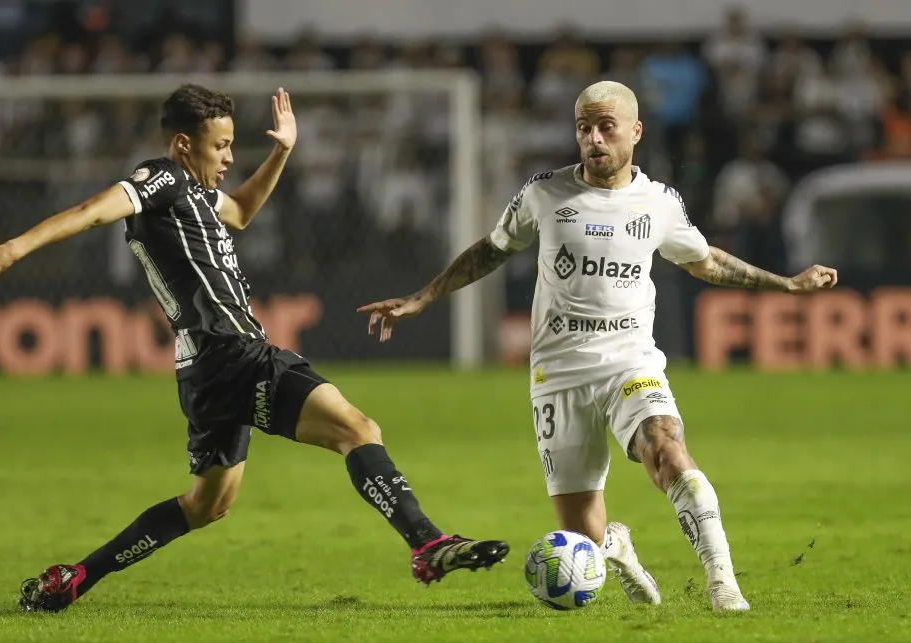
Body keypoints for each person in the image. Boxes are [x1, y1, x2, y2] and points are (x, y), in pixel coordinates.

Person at [0, 84, 509, 613]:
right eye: (221, 145)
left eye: (233, 144)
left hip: (203, 373)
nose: (229, 157)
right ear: (185, 144)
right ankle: (427, 542)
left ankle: (76, 578)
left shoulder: (201, 195)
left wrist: (282, 152)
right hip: (232, 351)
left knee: (206, 505)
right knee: (358, 430)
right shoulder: (161, 178)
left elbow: (240, 212)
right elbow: (94, 209)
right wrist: (14, 249)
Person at [358, 81, 838, 613]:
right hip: (557, 376)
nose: (594, 139)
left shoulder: (656, 203)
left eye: (606, 127)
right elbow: (491, 251)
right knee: (581, 545)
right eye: (584, 127)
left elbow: (706, 261)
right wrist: (423, 297)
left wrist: (786, 284)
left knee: (669, 452)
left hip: (629, 362)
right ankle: (617, 546)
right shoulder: (544, 193)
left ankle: (723, 582)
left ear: (635, 132)